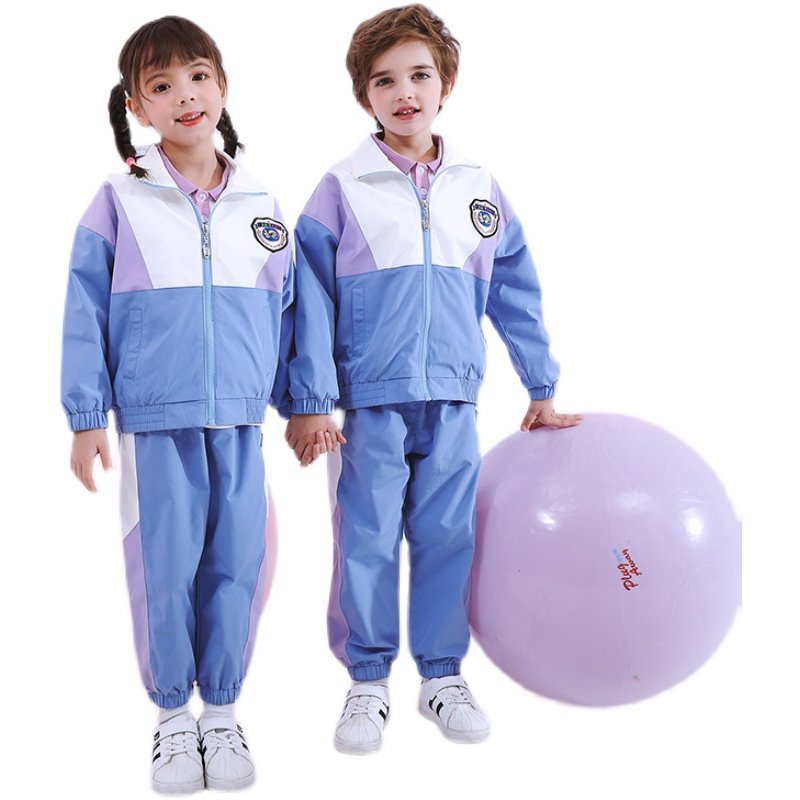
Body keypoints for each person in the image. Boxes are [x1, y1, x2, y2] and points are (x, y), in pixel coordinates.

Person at [282, 3, 581, 754]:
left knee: (449, 536)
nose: (404, 92)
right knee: (367, 538)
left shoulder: (478, 185)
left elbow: (513, 287)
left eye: (419, 74)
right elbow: (308, 300)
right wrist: (312, 400)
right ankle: (367, 680)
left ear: (446, 83)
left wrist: (540, 385)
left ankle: (442, 675)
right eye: (384, 80)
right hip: (368, 403)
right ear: (364, 95)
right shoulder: (341, 187)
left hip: (452, 395)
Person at [61, 16, 292, 793]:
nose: (184, 95)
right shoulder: (119, 200)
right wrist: (86, 415)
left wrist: (306, 404)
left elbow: (290, 311)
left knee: (238, 564)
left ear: (222, 86)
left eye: (197, 76)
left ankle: (221, 712)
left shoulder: (261, 201)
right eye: (162, 85)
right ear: (138, 106)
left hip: (241, 420)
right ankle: (170, 719)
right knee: (165, 568)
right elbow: (84, 310)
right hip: (157, 419)